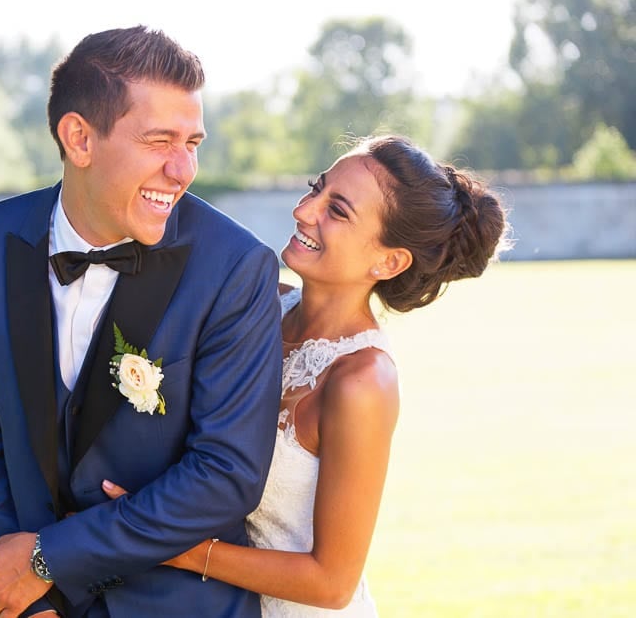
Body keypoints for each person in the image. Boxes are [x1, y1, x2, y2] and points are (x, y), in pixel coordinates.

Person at [0, 25, 283, 618]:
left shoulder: (235, 267)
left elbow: (226, 476)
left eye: (193, 142)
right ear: (79, 138)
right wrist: (24, 596)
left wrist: (47, 559)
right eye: (160, 141)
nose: (184, 170)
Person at [102, 134, 509, 616]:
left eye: (337, 210)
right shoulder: (256, 305)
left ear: (389, 260)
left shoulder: (362, 380)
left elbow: (332, 583)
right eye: (317, 187)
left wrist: (166, 544)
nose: (304, 210)